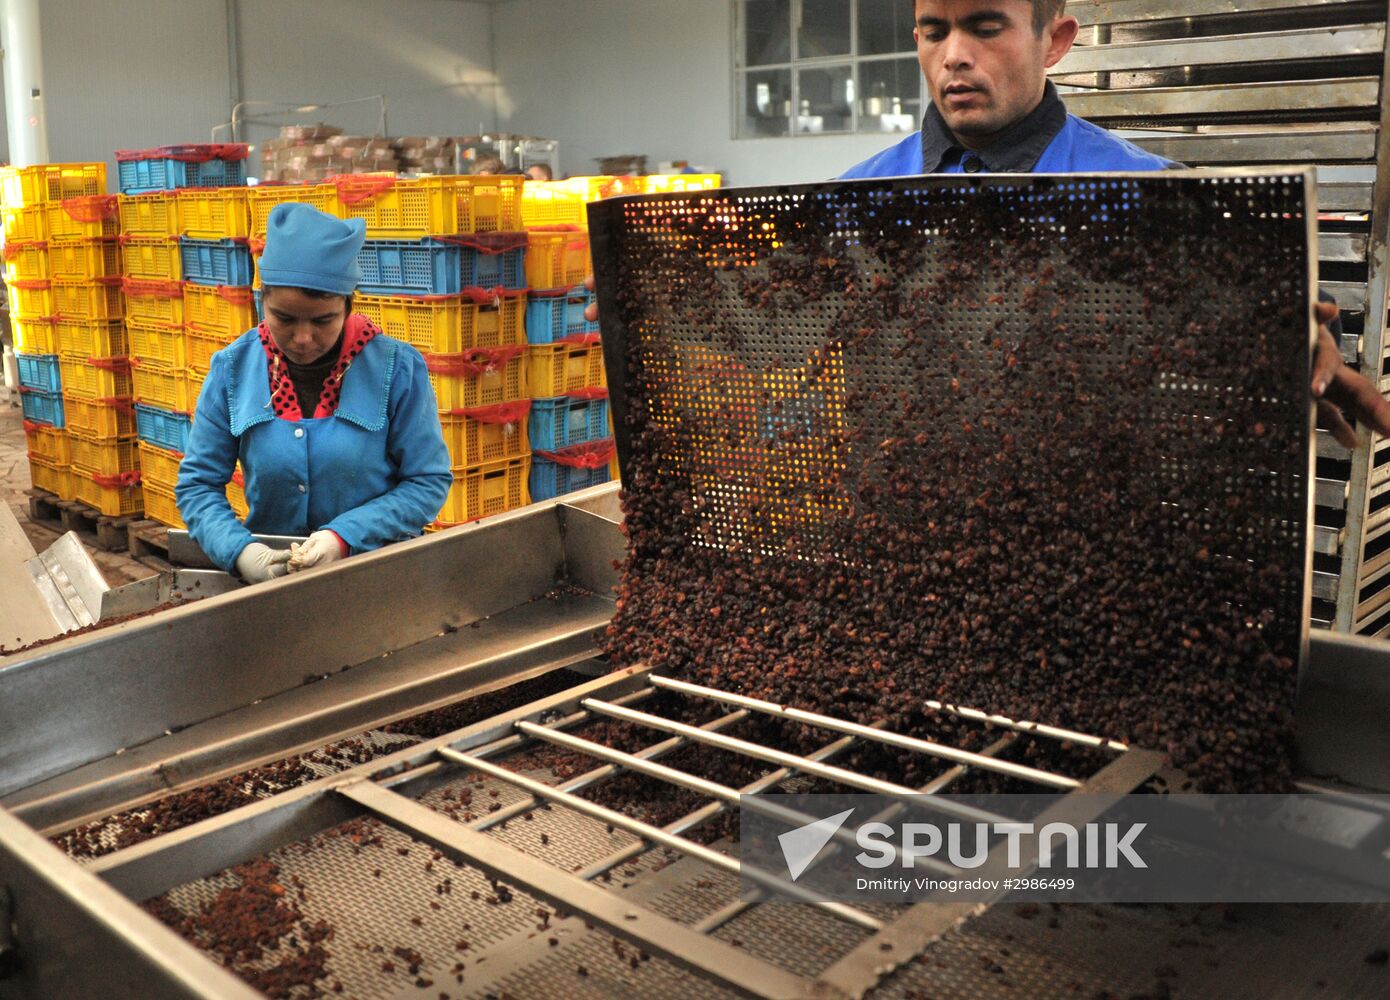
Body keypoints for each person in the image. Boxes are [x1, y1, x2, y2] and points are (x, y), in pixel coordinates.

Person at [587, 0, 1390, 446]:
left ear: (1055, 40)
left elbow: (1220, 324)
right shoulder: (858, 200)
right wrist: (655, 295)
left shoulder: (1147, 197)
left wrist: (1280, 342)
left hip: (1084, 555)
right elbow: (771, 329)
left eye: (985, 25)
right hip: (894, 549)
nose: (955, 55)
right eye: (935, 31)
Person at [176, 204, 452, 584]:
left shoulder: (398, 369)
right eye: (284, 318)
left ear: (347, 306)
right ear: (262, 302)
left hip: (381, 578)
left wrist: (345, 536)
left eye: (323, 320)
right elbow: (199, 485)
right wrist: (240, 551)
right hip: (273, 583)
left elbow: (427, 481)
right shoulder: (233, 371)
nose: (303, 338)